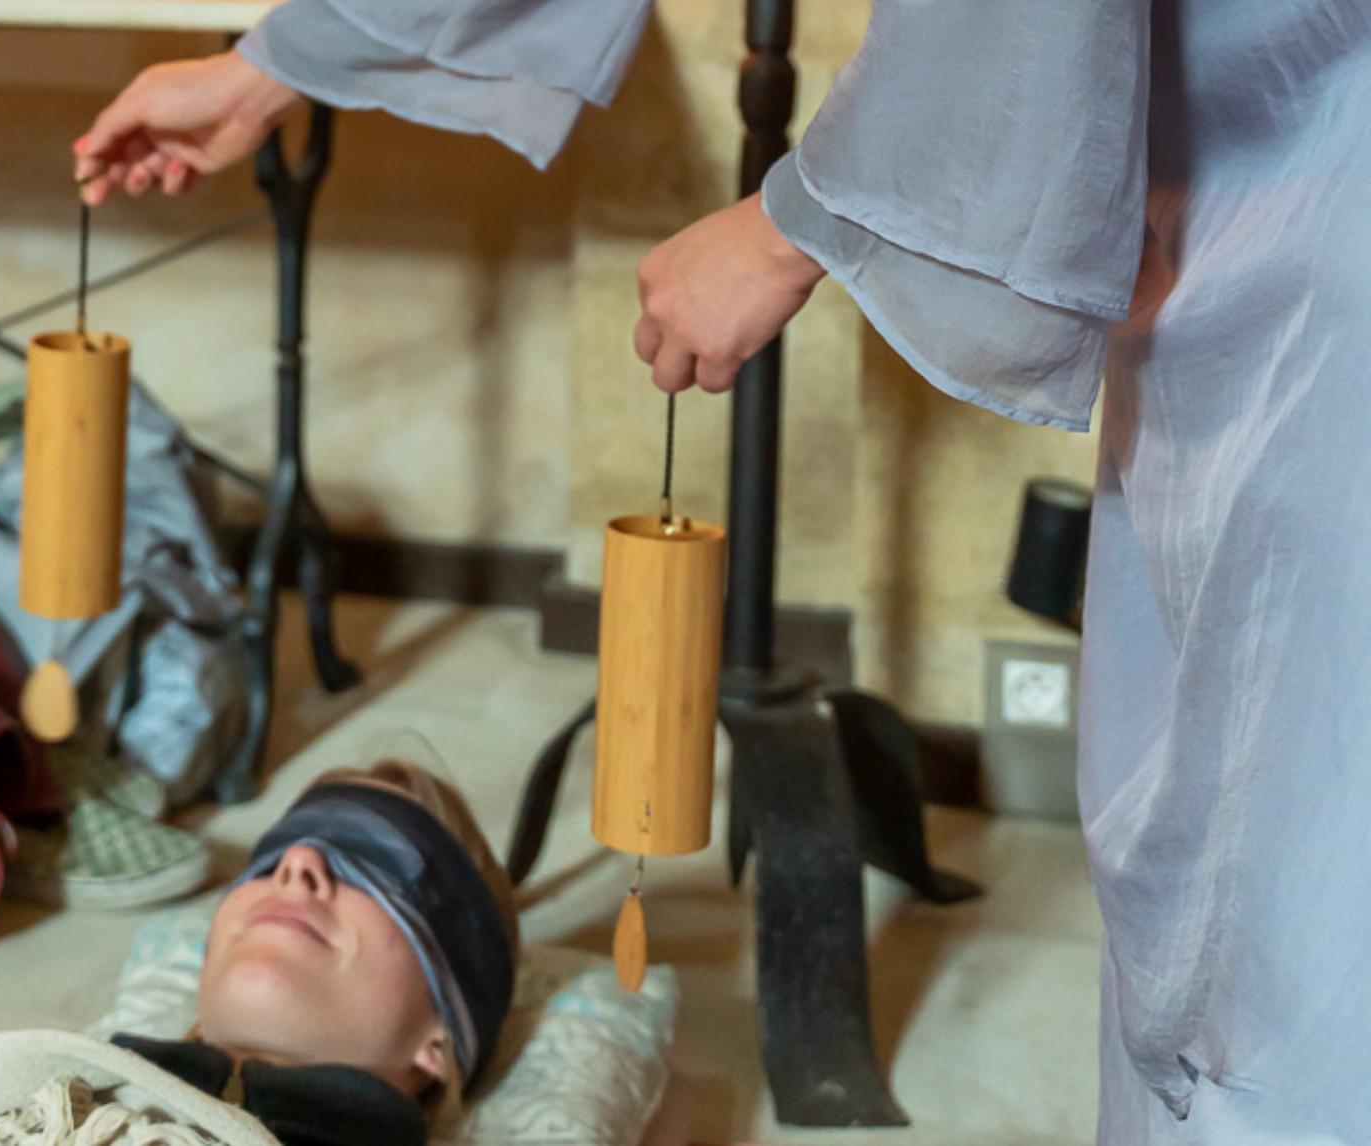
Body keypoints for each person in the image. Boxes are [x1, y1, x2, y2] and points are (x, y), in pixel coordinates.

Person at [72, 4, 1371, 1143]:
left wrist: (793, 223)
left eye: (370, 873)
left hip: (1314, 204)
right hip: (1263, 204)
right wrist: (267, 68)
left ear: (441, 1060)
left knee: (1295, 869)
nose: (293, 877)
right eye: (298, 854)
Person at [0, 758, 518, 1146]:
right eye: (264, 862)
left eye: (376, 864)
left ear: (440, 1042)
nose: (298, 861)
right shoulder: (35, 1078)